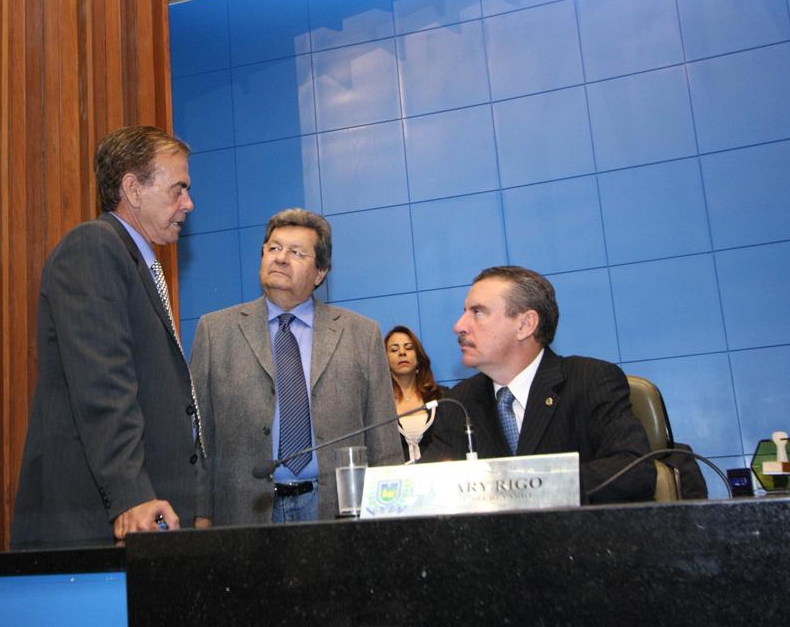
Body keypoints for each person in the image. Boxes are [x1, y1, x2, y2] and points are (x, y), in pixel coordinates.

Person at [11, 125, 209, 549]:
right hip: (97, 526)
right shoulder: (94, 248)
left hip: (148, 519)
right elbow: (103, 386)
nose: (188, 204)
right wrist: (131, 496)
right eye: (178, 189)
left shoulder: (136, 261)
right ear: (133, 189)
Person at [190, 208, 402, 525]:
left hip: (336, 510)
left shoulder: (361, 333)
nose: (280, 258)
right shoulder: (216, 331)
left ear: (320, 273)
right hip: (242, 512)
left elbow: (383, 437)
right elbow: (200, 436)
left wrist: (392, 512)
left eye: (296, 252)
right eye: (274, 248)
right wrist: (201, 512)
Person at [422, 266, 655, 503]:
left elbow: (634, 471)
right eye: (465, 312)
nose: (459, 326)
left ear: (525, 325)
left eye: (478, 312)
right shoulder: (458, 402)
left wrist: (527, 487)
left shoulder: (591, 380)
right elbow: (424, 487)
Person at [385, 325, 446, 461]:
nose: (402, 353)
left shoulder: (441, 397)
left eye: (408, 348)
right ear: (385, 360)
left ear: (418, 358)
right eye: (394, 349)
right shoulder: (379, 404)